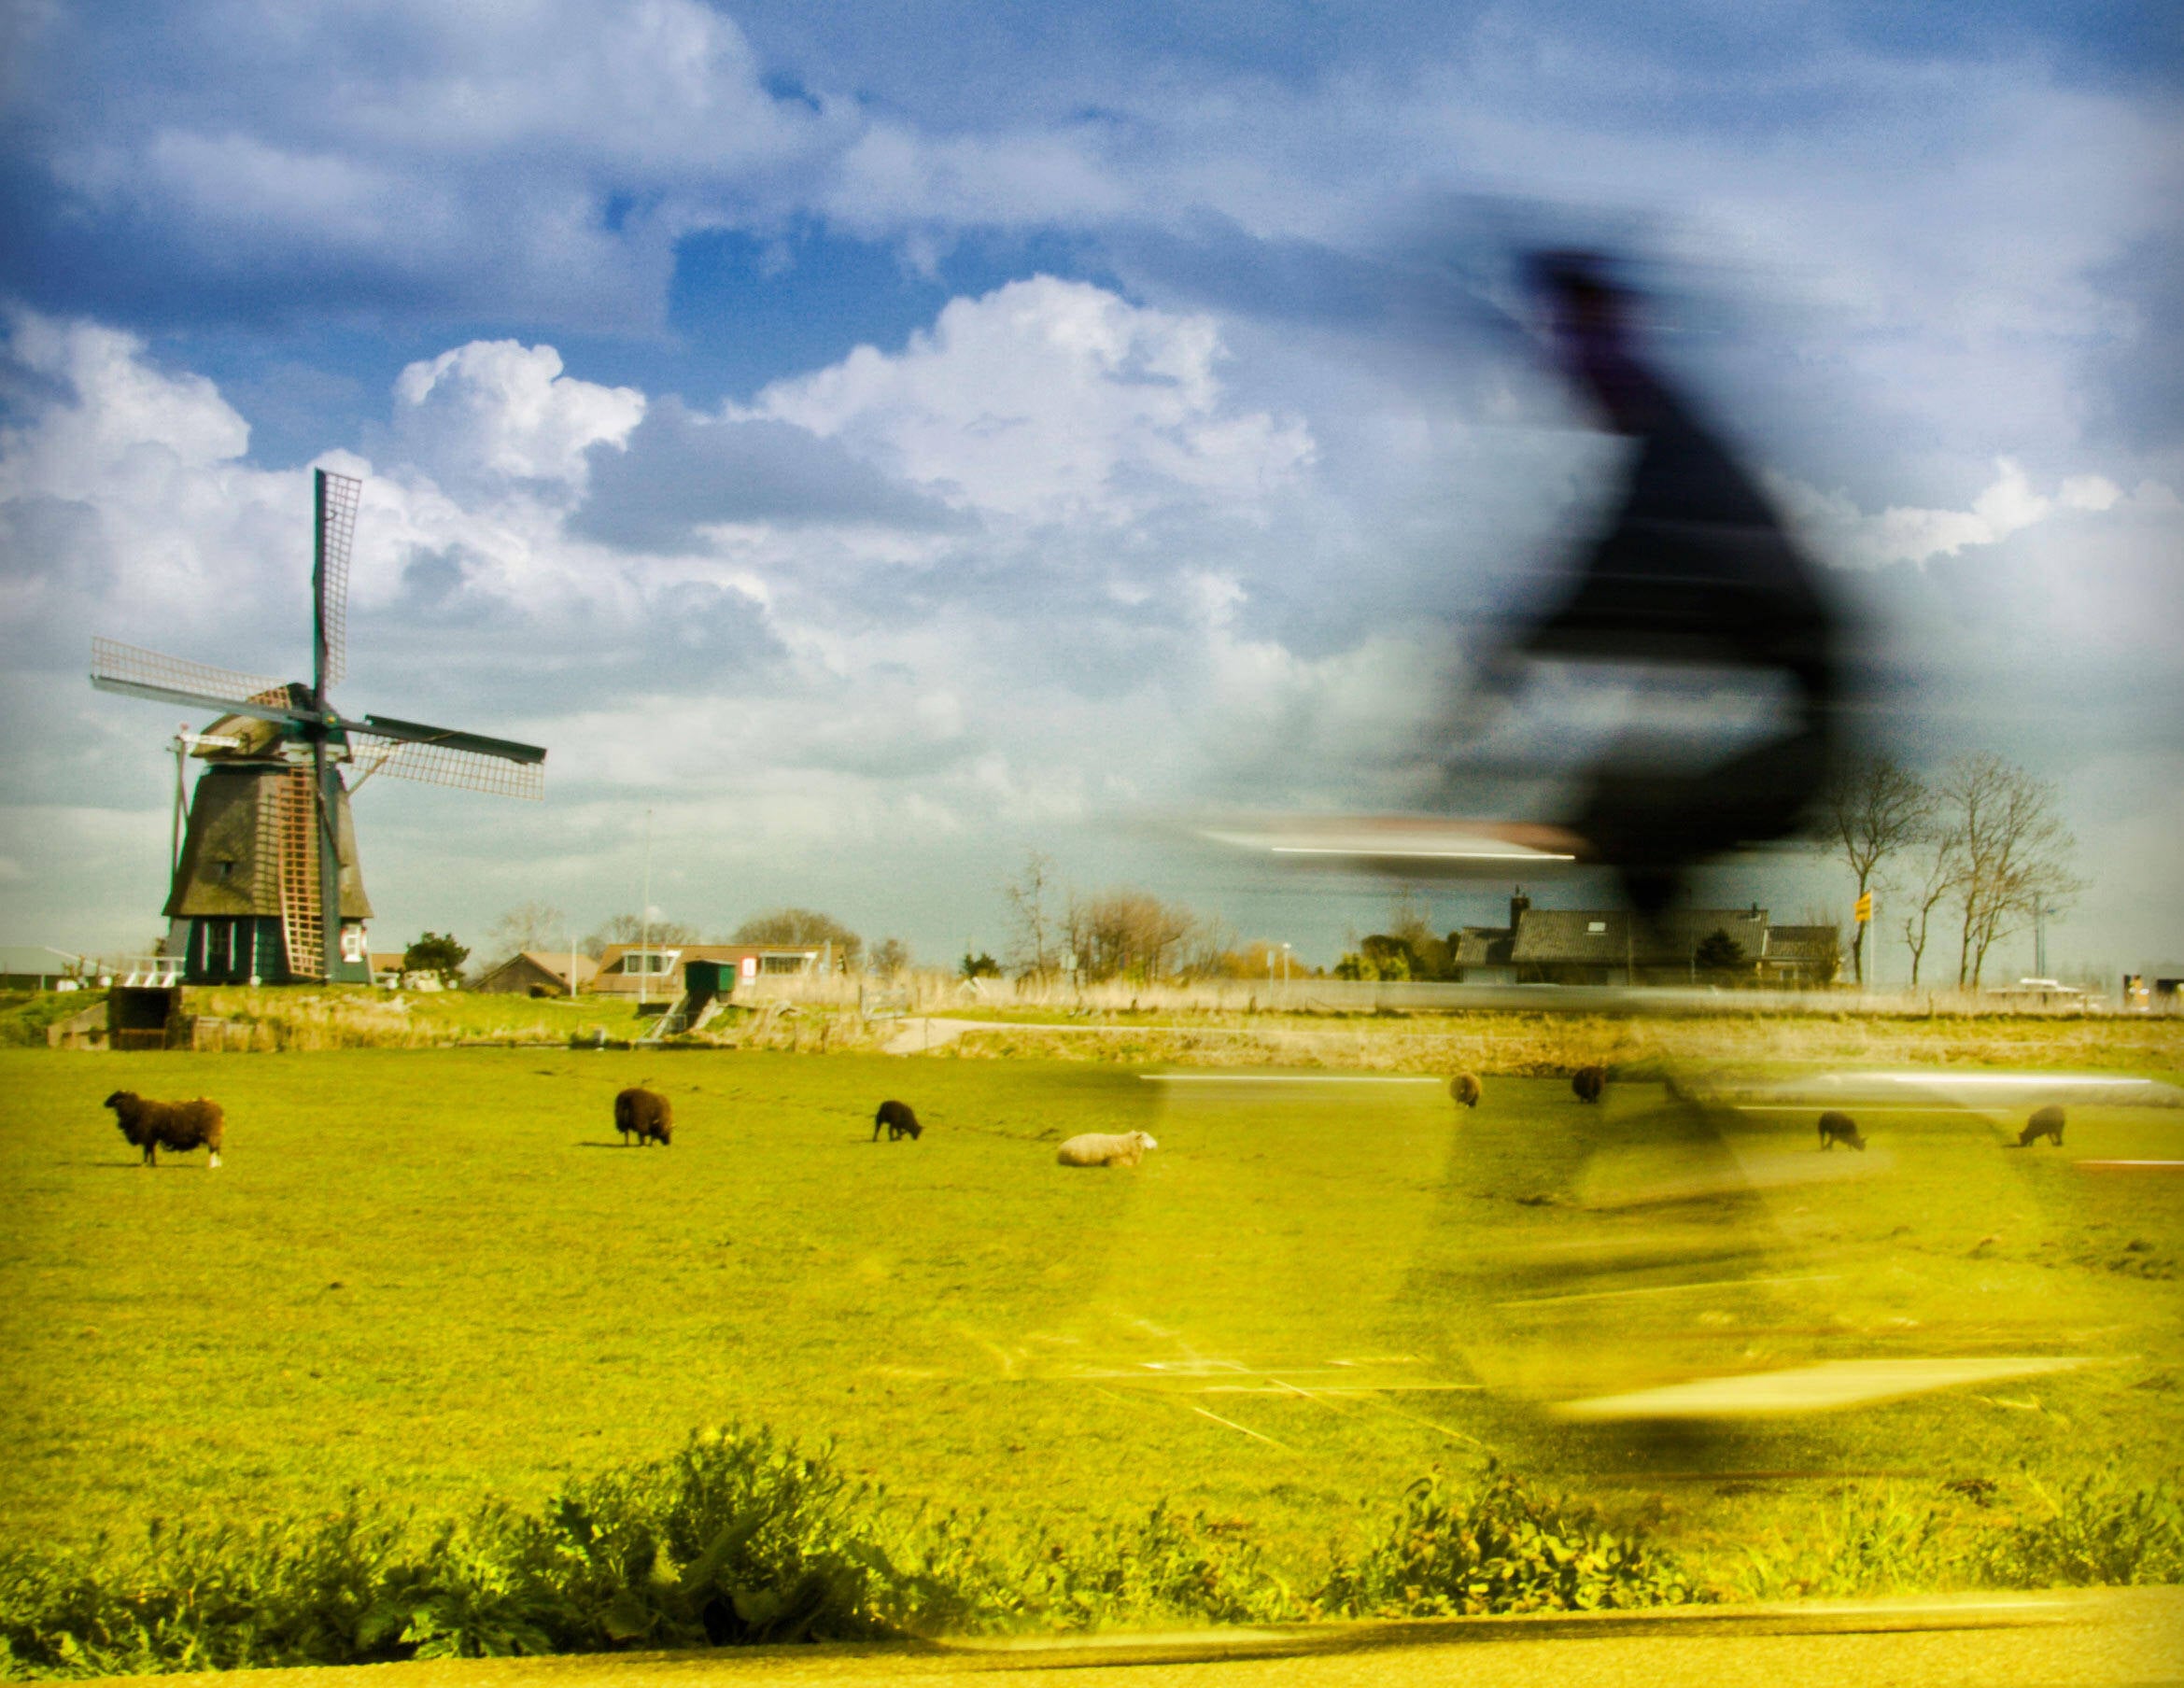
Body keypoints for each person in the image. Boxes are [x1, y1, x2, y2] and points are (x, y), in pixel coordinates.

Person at [1489, 251, 1843, 919]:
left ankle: (1653, 935)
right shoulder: (1680, 461)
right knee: (1626, 813)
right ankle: (1654, 936)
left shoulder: (1675, 472)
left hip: (1816, 748)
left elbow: (1602, 587)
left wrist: (1488, 680)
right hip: (1806, 732)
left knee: (1628, 820)